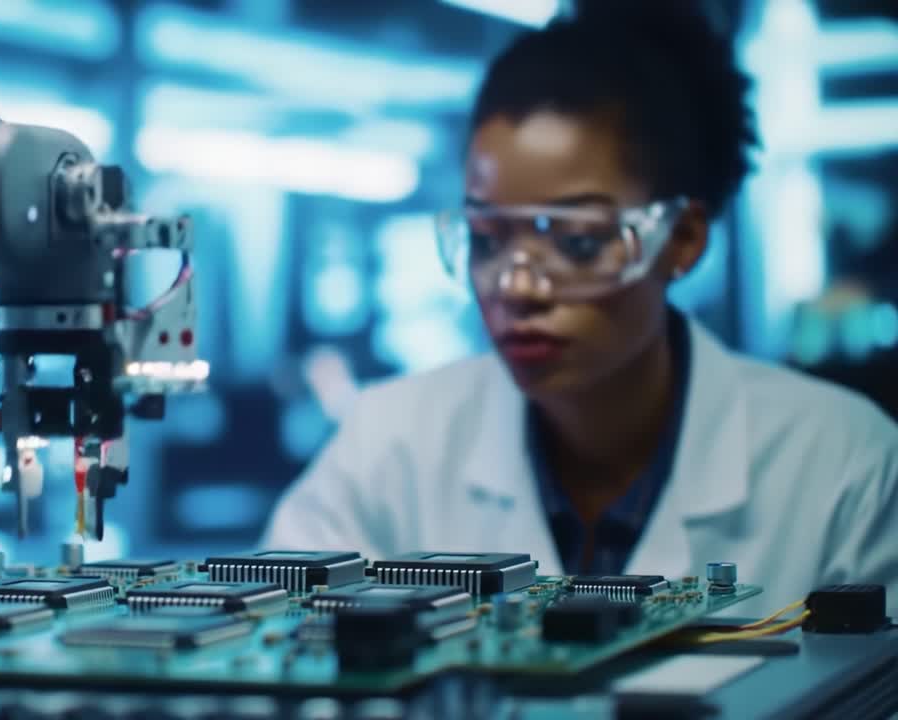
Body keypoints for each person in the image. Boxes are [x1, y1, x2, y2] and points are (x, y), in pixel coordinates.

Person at [262, 1, 898, 616]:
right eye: (487, 239)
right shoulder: (389, 445)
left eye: (577, 242)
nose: (517, 287)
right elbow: (267, 648)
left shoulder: (842, 464)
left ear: (681, 240)